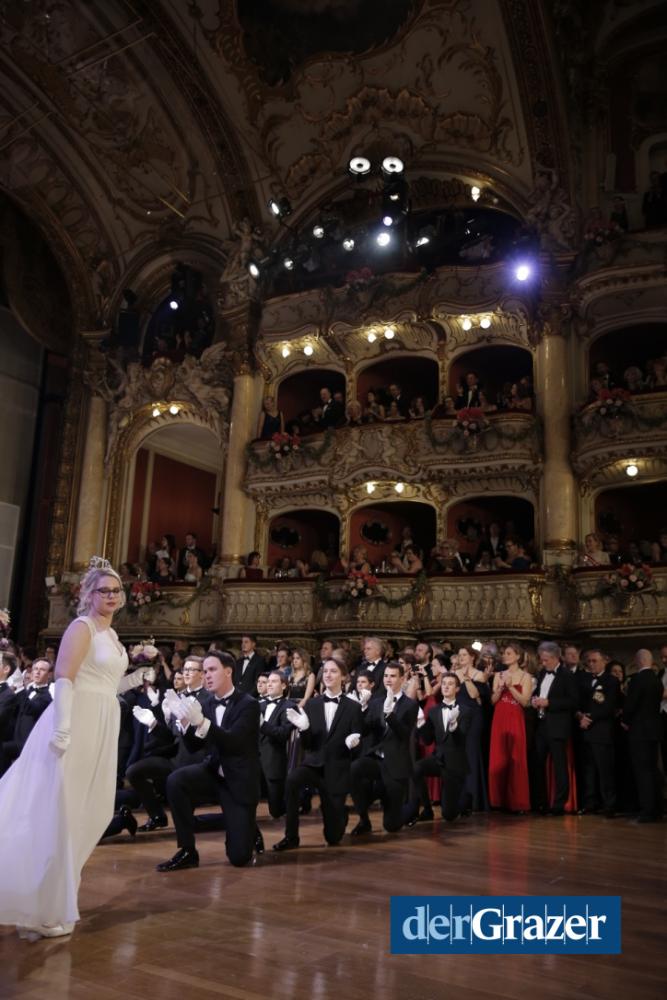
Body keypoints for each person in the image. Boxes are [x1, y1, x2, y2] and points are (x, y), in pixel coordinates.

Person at [0, 556, 152, 940]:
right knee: (61, 813)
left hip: (103, 722)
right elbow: (65, 678)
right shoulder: (81, 627)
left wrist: (135, 678)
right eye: (104, 590)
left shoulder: (112, 636)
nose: (112, 596)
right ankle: (43, 908)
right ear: (89, 594)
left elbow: (106, 686)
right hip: (75, 721)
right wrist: (63, 727)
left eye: (117, 590)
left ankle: (54, 900)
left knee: (93, 812)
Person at [156, 651, 262, 870]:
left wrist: (202, 723)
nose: (207, 676)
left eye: (212, 670)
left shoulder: (248, 704)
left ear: (228, 671)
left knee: (239, 858)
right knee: (176, 780)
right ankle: (187, 850)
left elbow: (233, 743)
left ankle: (248, 827)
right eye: (204, 671)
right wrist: (185, 722)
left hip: (238, 780)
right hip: (214, 772)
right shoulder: (207, 703)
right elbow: (194, 746)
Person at [273, 657, 363, 851]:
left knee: (333, 837)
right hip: (313, 764)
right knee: (292, 781)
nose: (328, 675)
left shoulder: (353, 707)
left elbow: (357, 745)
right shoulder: (312, 704)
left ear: (344, 677)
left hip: (336, 768)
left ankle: (341, 814)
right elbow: (308, 745)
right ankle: (291, 836)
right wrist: (304, 730)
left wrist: (353, 743)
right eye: (326, 671)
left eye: (334, 671)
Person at [350, 662, 418, 836]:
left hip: (396, 765)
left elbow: (404, 734)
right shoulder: (376, 702)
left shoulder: (410, 704)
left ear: (402, 679)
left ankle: (406, 808)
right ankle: (364, 820)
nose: (388, 679)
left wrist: (390, 715)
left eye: (393, 676)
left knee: (391, 826)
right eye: (386, 675)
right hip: (376, 760)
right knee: (355, 768)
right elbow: (365, 729)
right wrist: (361, 709)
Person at [405, 673, 471, 823]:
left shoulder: (465, 710)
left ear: (457, 689)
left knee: (448, 815)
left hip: (455, 763)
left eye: (450, 684)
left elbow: (461, 739)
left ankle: (466, 800)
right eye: (444, 683)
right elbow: (428, 740)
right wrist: (421, 723)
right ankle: (427, 809)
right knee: (415, 768)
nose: (446, 686)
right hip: (439, 759)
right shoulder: (434, 711)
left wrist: (454, 727)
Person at [530, 640, 578, 815]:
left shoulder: (567, 675)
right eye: (542, 660)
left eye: (546, 660)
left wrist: (549, 703)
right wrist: (535, 700)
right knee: (537, 764)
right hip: (541, 725)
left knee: (559, 767)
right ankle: (540, 802)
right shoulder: (542, 673)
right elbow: (539, 693)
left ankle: (559, 804)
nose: (543, 663)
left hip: (557, 726)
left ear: (556, 658)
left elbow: (573, 701)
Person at [488, 643, 532, 813]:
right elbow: (493, 701)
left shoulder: (525, 677)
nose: (505, 656)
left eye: (508, 653)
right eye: (504, 653)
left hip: (515, 718)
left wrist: (511, 687)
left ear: (518, 656)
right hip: (499, 718)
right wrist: (500, 688)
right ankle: (498, 801)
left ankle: (517, 803)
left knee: (515, 757)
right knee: (499, 757)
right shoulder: (498, 675)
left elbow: (525, 702)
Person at [623, 649, 663, 823]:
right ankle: (657, 809)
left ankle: (647, 811)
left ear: (637, 661)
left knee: (642, 772)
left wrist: (625, 720)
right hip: (654, 731)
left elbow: (631, 705)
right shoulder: (657, 680)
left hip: (639, 732)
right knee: (653, 770)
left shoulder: (637, 680)